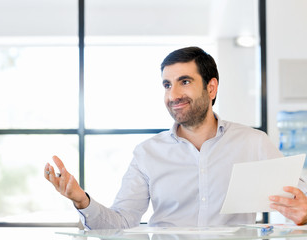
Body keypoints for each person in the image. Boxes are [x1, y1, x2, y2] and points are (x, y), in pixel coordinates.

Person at [44, 46, 307, 229]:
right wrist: (82, 200)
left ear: (211, 87)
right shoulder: (147, 153)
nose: (173, 95)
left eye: (185, 82)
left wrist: (304, 213)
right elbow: (121, 223)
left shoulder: (253, 143)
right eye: (167, 85)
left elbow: (300, 200)